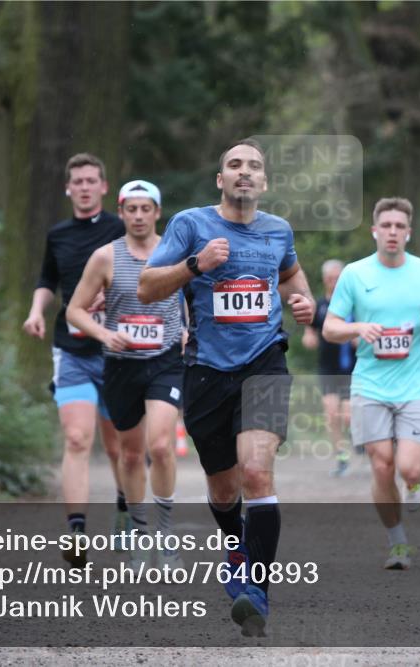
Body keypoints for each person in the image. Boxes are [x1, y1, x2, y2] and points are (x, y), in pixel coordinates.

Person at [138, 138, 314, 637]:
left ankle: (257, 591)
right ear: (220, 179)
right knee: (223, 487)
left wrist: (304, 304)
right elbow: (147, 287)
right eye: (234, 165)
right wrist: (196, 265)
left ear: (264, 182)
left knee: (257, 473)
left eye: (253, 166)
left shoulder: (278, 230)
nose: (244, 172)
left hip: (265, 363)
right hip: (206, 371)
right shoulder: (191, 225)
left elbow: (293, 278)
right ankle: (235, 543)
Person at [322, 197, 420, 571]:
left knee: (409, 468)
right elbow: (330, 327)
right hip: (370, 386)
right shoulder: (355, 274)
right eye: (387, 226)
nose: (393, 232)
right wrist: (358, 327)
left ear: (408, 233)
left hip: (413, 386)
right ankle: (397, 542)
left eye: (400, 226)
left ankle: (419, 474)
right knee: (382, 466)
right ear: (375, 231)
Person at [66, 179, 185, 571]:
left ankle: (166, 539)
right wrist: (104, 333)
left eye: (145, 208)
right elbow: (75, 310)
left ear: (156, 212)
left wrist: (189, 329)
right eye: (130, 209)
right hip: (121, 365)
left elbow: (195, 293)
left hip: (165, 360)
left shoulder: (174, 250)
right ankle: (138, 535)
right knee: (131, 455)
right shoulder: (105, 257)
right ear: (121, 213)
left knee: (162, 445)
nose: (137, 216)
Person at [21, 153, 128, 566]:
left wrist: (111, 296)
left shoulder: (122, 230)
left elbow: (145, 278)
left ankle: (124, 507)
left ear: (103, 187)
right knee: (78, 438)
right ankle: (77, 530)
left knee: (118, 445)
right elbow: (48, 280)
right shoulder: (58, 235)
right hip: (72, 350)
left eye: (91, 181)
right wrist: (36, 311)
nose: (84, 187)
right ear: (69, 189)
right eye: (77, 181)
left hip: (117, 349)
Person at [301, 259, 355, 476]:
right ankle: (342, 457)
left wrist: (358, 338)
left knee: (348, 416)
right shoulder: (321, 306)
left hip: (352, 368)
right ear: (325, 280)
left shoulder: (355, 305)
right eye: (330, 279)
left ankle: (359, 441)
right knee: (332, 414)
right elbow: (309, 332)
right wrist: (309, 339)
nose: (334, 282)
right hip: (328, 367)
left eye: (338, 278)